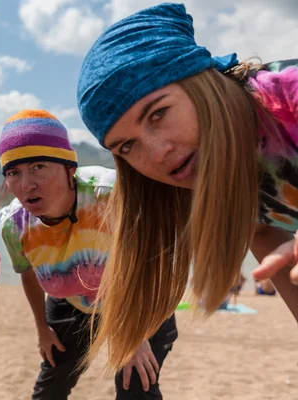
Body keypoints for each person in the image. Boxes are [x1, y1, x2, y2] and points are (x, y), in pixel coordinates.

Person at [76, 2, 298, 371]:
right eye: (127, 146)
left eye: (158, 114)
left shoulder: (288, 94)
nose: (158, 153)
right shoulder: (205, 169)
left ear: (200, 82)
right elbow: (262, 228)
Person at [0, 109, 177, 399]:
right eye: (13, 173)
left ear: (69, 168)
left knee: (136, 386)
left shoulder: (111, 194)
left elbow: (157, 258)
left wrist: (137, 333)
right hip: (73, 302)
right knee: (50, 388)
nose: (26, 184)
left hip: (142, 298)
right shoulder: (15, 225)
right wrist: (42, 329)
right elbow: (27, 272)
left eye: (39, 167)